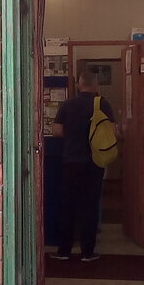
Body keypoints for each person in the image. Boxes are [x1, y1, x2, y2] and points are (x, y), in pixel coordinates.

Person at [52, 70, 116, 262]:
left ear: (79, 85)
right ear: (96, 86)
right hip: (94, 162)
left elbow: (57, 131)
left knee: (68, 206)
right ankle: (87, 252)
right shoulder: (102, 104)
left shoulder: (67, 105)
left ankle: (64, 250)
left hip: (71, 161)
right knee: (90, 206)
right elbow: (112, 131)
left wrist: (73, 135)